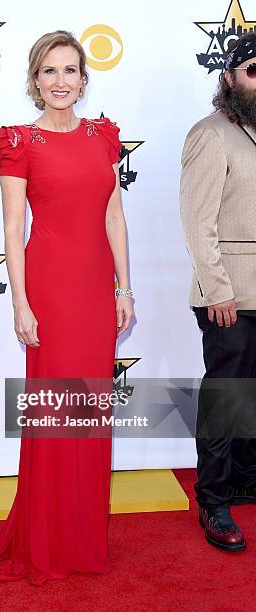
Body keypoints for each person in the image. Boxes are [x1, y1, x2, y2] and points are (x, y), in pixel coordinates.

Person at [0, 29, 133, 584]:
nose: (61, 81)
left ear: (83, 79)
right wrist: (19, 303)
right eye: (49, 71)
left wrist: (125, 287)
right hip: (49, 289)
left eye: (70, 70)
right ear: (34, 80)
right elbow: (12, 226)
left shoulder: (102, 136)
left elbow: (114, 217)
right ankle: (48, 536)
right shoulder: (20, 141)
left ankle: (83, 535)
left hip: (95, 291)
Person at [180, 32, 256, 552]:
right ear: (228, 76)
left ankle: (246, 481)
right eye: (253, 69)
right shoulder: (210, 134)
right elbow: (196, 221)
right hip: (228, 294)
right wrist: (217, 291)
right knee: (226, 398)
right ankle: (213, 499)